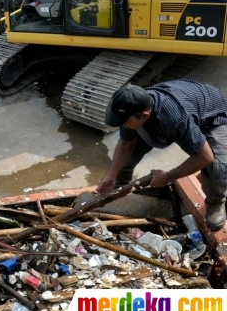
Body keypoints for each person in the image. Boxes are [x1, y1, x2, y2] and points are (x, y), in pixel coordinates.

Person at [97, 80, 227, 231]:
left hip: (212, 115)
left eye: (125, 122)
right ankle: (121, 183)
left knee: (218, 166)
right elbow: (126, 144)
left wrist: (167, 176)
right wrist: (111, 175)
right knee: (133, 142)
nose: (123, 125)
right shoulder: (132, 108)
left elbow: (204, 157)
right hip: (184, 103)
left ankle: (216, 200)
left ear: (144, 116)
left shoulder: (174, 118)